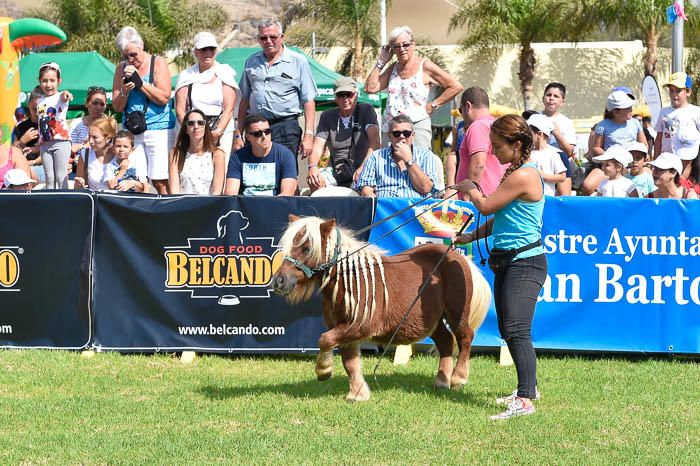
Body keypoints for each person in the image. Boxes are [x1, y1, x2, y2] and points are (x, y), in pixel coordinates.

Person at [452, 114, 547, 420]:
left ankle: (525, 399)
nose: (493, 152)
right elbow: (500, 218)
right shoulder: (513, 171)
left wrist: (470, 185)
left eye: (498, 146)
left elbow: (486, 205)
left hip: (525, 262)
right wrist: (470, 235)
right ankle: (527, 389)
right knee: (509, 329)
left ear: (517, 145)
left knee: (517, 330)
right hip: (508, 259)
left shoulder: (525, 176)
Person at [365, 25, 463, 148]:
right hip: (392, 129)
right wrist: (381, 61)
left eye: (405, 44)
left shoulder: (425, 66)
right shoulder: (393, 68)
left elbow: (456, 86)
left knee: (419, 164)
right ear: (392, 49)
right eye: (397, 46)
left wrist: (434, 105)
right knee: (389, 166)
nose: (402, 49)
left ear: (413, 44)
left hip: (417, 126)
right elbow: (370, 88)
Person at [235, 20, 317, 163]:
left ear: (282, 37)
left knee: (285, 172)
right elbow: (244, 100)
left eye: (273, 37)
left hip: (285, 126)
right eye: (263, 38)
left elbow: (308, 100)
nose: (268, 41)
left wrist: (309, 134)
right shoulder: (251, 62)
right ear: (258, 40)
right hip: (255, 126)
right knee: (254, 171)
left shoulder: (298, 61)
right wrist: (238, 134)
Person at [111, 26, 176, 194]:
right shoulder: (120, 68)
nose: (131, 59)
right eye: (126, 56)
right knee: (135, 178)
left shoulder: (157, 62)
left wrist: (140, 84)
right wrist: (124, 91)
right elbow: (117, 107)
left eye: (134, 54)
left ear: (142, 47)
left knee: (160, 180)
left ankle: (168, 213)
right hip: (133, 130)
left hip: (159, 129)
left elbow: (163, 98)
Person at [307, 77, 380, 192]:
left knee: (366, 190)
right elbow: (317, 146)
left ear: (356, 95)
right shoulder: (327, 116)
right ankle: (323, 210)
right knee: (314, 181)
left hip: (363, 167)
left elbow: (375, 142)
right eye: (341, 95)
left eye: (349, 94)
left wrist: (364, 167)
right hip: (337, 170)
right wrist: (312, 167)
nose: (345, 99)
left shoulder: (366, 110)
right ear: (335, 98)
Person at [174, 31, 239, 163]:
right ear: (196, 52)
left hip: (221, 130)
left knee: (220, 169)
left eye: (211, 49)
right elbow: (180, 109)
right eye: (203, 49)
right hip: (194, 129)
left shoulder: (225, 72)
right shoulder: (186, 75)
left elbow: (229, 108)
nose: (207, 52)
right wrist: (191, 130)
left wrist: (218, 132)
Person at [356, 115, 444, 198]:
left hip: (416, 210)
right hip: (385, 210)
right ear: (389, 135)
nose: (402, 137)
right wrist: (371, 197)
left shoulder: (426, 155)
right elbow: (366, 189)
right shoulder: (376, 156)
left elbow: (425, 188)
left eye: (406, 133)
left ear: (413, 135)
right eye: (396, 133)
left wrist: (408, 160)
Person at [583, 89, 646, 195]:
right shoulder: (603, 125)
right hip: (610, 165)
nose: (631, 109)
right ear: (616, 111)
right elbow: (596, 148)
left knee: (648, 178)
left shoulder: (635, 123)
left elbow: (644, 144)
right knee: (588, 185)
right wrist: (612, 159)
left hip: (633, 164)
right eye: (627, 108)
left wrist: (637, 158)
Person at [225, 114, 297, 196]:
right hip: (245, 206)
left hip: (275, 205)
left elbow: (287, 193)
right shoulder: (237, 157)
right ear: (248, 136)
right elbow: (230, 193)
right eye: (257, 134)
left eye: (267, 131)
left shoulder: (285, 155)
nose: (264, 136)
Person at [454, 87, 505, 199]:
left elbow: (478, 164)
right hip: (495, 197)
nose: (461, 115)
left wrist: (467, 196)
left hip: (479, 200)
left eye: (460, 110)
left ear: (468, 106)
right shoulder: (499, 125)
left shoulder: (478, 126)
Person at [74, 117, 144, 192]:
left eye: (95, 137)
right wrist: (79, 184)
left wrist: (132, 183)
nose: (90, 141)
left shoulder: (124, 153)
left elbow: (143, 187)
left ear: (108, 138)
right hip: (96, 201)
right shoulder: (85, 154)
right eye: (89, 136)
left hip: (120, 201)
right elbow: (78, 188)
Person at [168, 109, 226, 195]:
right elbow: (174, 190)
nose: (196, 126)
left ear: (205, 127)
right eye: (191, 123)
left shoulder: (217, 155)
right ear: (186, 129)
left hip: (209, 205)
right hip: (183, 205)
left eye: (200, 123)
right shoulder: (176, 154)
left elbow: (216, 192)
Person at [36, 62, 73, 189]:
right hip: (44, 144)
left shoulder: (60, 97)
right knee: (49, 178)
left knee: (61, 176)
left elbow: (64, 95)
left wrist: (66, 94)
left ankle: (65, 204)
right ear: (39, 81)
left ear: (59, 81)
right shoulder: (40, 101)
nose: (48, 84)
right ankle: (50, 204)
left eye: (52, 80)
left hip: (60, 142)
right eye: (44, 81)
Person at [541, 83, 576, 196]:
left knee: (564, 198)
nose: (551, 98)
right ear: (543, 98)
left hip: (561, 164)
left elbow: (569, 152)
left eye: (556, 96)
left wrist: (557, 133)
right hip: (539, 164)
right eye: (548, 95)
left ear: (562, 102)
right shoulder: (534, 118)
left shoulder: (567, 122)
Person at [654, 72, 700, 158]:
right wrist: (656, 161)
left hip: (689, 160)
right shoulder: (664, 112)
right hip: (668, 160)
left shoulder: (696, 112)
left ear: (688, 92)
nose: (674, 95)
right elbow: (659, 139)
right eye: (671, 90)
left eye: (678, 91)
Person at [526, 114, 567, 197]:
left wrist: (543, 175)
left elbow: (562, 177)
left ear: (539, 134)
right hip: (529, 199)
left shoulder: (553, 154)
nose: (527, 136)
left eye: (529, 133)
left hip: (547, 198)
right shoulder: (527, 153)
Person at [13, 86, 42, 182]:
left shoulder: (51, 125)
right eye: (34, 109)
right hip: (24, 168)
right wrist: (22, 141)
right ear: (29, 105)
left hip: (44, 167)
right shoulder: (21, 127)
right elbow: (13, 153)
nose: (38, 113)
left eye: (41, 109)